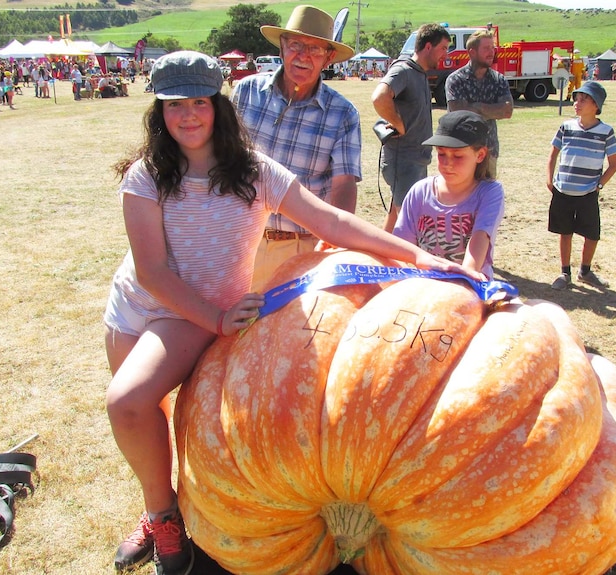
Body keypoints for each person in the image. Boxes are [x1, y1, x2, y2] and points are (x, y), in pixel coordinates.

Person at [105, 50, 480, 575]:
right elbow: (150, 271)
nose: (187, 115)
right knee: (149, 420)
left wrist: (415, 254)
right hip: (133, 306)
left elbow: (329, 221)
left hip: (191, 314)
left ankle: (167, 519)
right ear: (159, 114)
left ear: (217, 106)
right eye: (174, 106)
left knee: (126, 402)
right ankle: (157, 507)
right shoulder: (147, 175)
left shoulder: (254, 172)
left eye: (198, 102)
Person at [231, 5, 361, 291]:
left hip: (300, 251)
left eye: (315, 50)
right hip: (237, 240)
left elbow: (344, 185)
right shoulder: (245, 91)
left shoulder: (343, 113)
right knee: (226, 332)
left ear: (328, 58)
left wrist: (333, 242)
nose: (303, 56)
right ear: (282, 47)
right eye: (296, 45)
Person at [394, 110, 505, 280]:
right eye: (441, 154)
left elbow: (479, 242)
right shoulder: (419, 191)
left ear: (480, 155)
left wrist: (465, 280)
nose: (447, 164)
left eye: (458, 156)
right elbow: (401, 247)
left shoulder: (489, 192)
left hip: (470, 286)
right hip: (423, 287)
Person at [372, 22, 451, 233]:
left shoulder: (420, 73)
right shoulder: (404, 70)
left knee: (395, 219)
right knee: (411, 227)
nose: (446, 53)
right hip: (403, 161)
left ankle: (380, 260)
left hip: (415, 161)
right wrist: (398, 123)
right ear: (428, 47)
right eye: (443, 48)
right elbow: (380, 97)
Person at [546, 81, 616, 290]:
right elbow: (553, 154)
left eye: (583, 99)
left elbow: (614, 165)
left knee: (591, 233)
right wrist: (549, 179)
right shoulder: (566, 127)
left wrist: (599, 185)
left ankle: (585, 271)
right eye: (576, 99)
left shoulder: (606, 131)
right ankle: (565, 272)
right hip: (563, 190)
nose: (577, 103)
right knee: (565, 231)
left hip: (588, 192)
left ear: (596, 105)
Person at [445, 28, 514, 179]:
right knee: (461, 199)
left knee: (487, 199)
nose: (491, 52)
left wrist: (476, 107)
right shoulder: (455, 80)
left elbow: (507, 111)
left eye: (492, 48)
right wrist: (492, 110)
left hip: (489, 152)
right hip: (461, 152)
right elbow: (458, 113)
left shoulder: (499, 80)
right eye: (486, 48)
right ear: (472, 52)